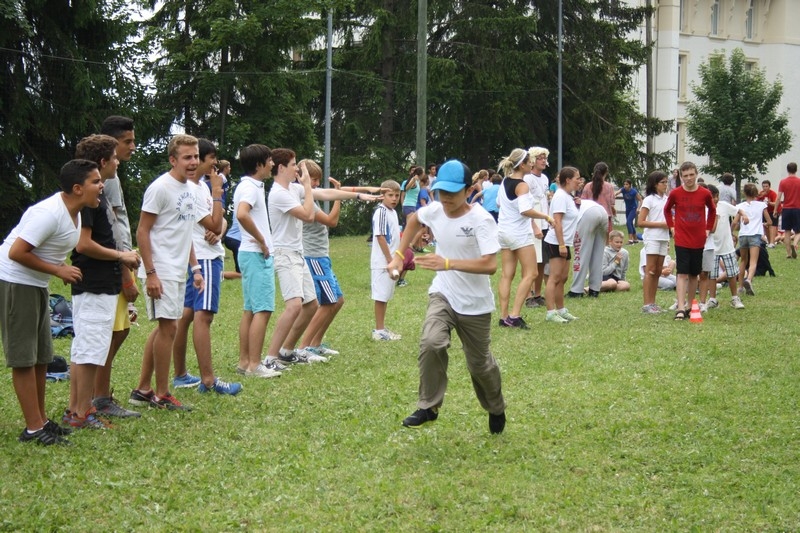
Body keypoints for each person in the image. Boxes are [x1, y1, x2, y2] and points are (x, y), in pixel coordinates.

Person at [388, 160, 506, 434]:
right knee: (432, 342)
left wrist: (448, 263)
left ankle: (496, 406)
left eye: (453, 192)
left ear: (468, 190)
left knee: (480, 365)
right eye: (442, 191)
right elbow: (414, 218)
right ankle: (428, 406)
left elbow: (490, 265)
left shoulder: (482, 220)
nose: (446, 198)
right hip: (444, 293)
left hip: (475, 304)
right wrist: (398, 255)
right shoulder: (436, 210)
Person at [0, 159, 104, 445]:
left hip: (36, 284)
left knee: (41, 357)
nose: (101, 186)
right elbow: (16, 252)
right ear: (77, 188)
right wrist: (58, 270)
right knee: (24, 358)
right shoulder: (49, 213)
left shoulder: (77, 212)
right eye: (95, 181)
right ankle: (33, 429)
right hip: (14, 282)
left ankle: (41, 420)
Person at [129, 134, 222, 411]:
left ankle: (143, 389)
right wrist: (152, 272)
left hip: (179, 268)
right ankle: (161, 393)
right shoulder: (160, 188)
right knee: (169, 327)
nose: (193, 162)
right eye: (187, 157)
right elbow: (142, 231)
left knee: (165, 327)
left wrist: (195, 268)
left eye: (195, 156)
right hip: (161, 268)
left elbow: (195, 229)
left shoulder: (191, 191)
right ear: (173, 159)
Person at [266, 149, 380, 363]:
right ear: (281, 168)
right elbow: (309, 216)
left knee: (311, 304)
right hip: (286, 254)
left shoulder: (293, 189)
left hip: (299, 254)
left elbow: (327, 194)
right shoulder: (279, 193)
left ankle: (287, 352)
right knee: (294, 306)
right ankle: (271, 358)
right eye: (293, 165)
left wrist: (358, 195)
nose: (297, 170)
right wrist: (308, 186)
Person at [65, 136, 141, 429]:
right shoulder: (89, 201)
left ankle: (78, 411)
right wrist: (121, 256)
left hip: (102, 283)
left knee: (90, 348)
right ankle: (81, 412)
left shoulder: (99, 196)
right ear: (102, 162)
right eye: (114, 157)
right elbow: (83, 244)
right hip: (93, 283)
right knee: (89, 349)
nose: (119, 161)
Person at [171, 138, 241, 396]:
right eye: (211, 158)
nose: (215, 163)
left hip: (201, 254)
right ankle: (209, 380)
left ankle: (180, 375)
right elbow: (212, 222)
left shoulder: (199, 187)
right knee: (204, 316)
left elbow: (219, 221)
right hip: (204, 258)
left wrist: (220, 230)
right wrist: (217, 193)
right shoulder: (195, 188)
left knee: (187, 315)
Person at [298, 159, 385, 356]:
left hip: (321, 256)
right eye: (314, 179)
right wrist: (340, 198)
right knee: (328, 302)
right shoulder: (304, 197)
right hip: (314, 257)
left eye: (319, 180)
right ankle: (303, 348)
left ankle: (316, 343)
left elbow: (335, 192)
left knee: (337, 301)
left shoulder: (311, 193)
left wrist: (364, 192)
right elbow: (332, 221)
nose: (317, 184)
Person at [94, 115, 141, 418]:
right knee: (107, 333)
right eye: (128, 142)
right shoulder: (104, 179)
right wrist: (125, 272)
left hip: (123, 259)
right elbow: (106, 229)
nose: (133, 147)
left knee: (120, 331)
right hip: (115, 265)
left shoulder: (113, 176)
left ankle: (99, 395)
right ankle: (97, 397)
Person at [232, 144, 282, 378]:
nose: (273, 164)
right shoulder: (250, 188)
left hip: (248, 254)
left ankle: (245, 362)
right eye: (269, 160)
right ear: (259, 164)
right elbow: (242, 214)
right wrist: (262, 241)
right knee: (262, 309)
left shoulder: (248, 186)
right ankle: (254, 364)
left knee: (251, 309)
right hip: (255, 254)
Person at [496, 148, 553, 329]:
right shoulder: (522, 185)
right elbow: (525, 210)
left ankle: (503, 316)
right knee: (532, 273)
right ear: (522, 164)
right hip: (518, 234)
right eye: (530, 161)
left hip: (503, 232)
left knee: (507, 275)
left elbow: (500, 203)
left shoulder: (505, 180)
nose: (532, 163)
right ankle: (514, 316)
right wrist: (545, 216)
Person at [664, 161, 716, 320]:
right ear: (680, 176)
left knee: (694, 274)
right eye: (685, 176)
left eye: (691, 175)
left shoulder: (705, 193)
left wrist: (707, 229)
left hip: (699, 239)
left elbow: (712, 211)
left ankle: (689, 304)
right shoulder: (675, 193)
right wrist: (671, 227)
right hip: (682, 239)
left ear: (696, 174)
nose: (688, 178)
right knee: (681, 273)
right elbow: (666, 210)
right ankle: (680, 307)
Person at [544, 166, 581, 323]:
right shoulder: (560, 196)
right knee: (555, 277)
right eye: (577, 178)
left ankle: (561, 309)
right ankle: (550, 312)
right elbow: (557, 221)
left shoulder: (568, 196)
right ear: (568, 180)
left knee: (563, 277)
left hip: (566, 242)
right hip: (556, 242)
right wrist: (560, 244)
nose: (579, 181)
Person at [704, 184, 746, 309]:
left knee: (731, 273)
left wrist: (745, 215)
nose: (715, 199)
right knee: (712, 274)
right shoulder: (705, 209)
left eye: (717, 196)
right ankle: (712, 299)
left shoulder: (723, 206)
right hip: (712, 247)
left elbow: (738, 210)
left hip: (727, 246)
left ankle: (734, 298)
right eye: (712, 197)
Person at [371, 180, 403, 340]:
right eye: (390, 195)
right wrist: (390, 261)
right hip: (382, 263)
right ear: (382, 195)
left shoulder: (393, 212)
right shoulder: (381, 212)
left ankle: (382, 327)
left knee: (386, 296)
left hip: (391, 262)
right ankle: (378, 330)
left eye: (397, 195)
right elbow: (380, 237)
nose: (394, 199)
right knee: (380, 296)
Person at [637, 171, 670, 313]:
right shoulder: (649, 199)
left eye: (666, 182)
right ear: (655, 184)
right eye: (663, 182)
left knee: (657, 271)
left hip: (664, 238)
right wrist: (661, 224)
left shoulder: (667, 199)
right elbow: (641, 222)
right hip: (652, 238)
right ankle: (647, 304)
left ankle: (653, 302)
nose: (665, 185)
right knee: (650, 270)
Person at [525, 146, 552, 308]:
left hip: (544, 223)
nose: (544, 161)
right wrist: (533, 224)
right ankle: (528, 296)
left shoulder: (545, 178)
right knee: (531, 261)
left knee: (542, 260)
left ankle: (538, 293)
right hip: (533, 224)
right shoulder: (528, 179)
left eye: (545, 158)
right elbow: (526, 205)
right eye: (540, 158)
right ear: (533, 161)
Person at [735, 183, 772, 296]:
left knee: (743, 261)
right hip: (755, 235)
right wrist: (763, 224)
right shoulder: (761, 205)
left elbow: (735, 223)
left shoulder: (740, 206)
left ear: (744, 193)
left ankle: (740, 287)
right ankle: (749, 280)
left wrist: (733, 231)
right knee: (753, 262)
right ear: (756, 193)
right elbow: (770, 222)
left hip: (743, 235)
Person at [567, 198, 608, 297]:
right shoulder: (580, 201)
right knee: (598, 254)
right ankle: (595, 289)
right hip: (602, 212)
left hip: (587, 214)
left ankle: (576, 290)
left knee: (581, 253)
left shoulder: (564, 203)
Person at [581, 162, 616, 234]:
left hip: (590, 217)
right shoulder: (609, 187)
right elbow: (612, 203)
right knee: (605, 243)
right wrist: (613, 211)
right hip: (606, 216)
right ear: (606, 173)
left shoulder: (588, 186)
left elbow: (583, 202)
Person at [775, 162, 800, 259]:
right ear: (796, 170)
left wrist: (775, 209)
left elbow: (778, 197)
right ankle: (795, 243)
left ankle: (789, 253)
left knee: (787, 232)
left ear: (787, 170)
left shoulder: (783, 182)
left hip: (786, 209)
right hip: (798, 208)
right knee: (798, 231)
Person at [616, 179, 642, 244]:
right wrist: (612, 196)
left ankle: (630, 240)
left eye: (627, 184)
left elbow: (641, 200)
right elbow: (616, 193)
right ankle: (635, 239)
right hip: (627, 209)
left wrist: (638, 208)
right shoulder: (623, 190)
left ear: (630, 185)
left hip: (634, 208)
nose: (625, 186)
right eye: (624, 184)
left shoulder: (634, 191)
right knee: (630, 223)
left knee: (628, 222)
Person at [758, 180, 778, 247]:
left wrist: (769, 203)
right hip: (764, 212)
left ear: (769, 186)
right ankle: (769, 242)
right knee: (766, 226)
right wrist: (760, 196)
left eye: (766, 186)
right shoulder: (760, 194)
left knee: (772, 226)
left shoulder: (773, 193)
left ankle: (772, 242)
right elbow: (756, 201)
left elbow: (776, 203)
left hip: (772, 211)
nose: (765, 188)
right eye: (763, 186)